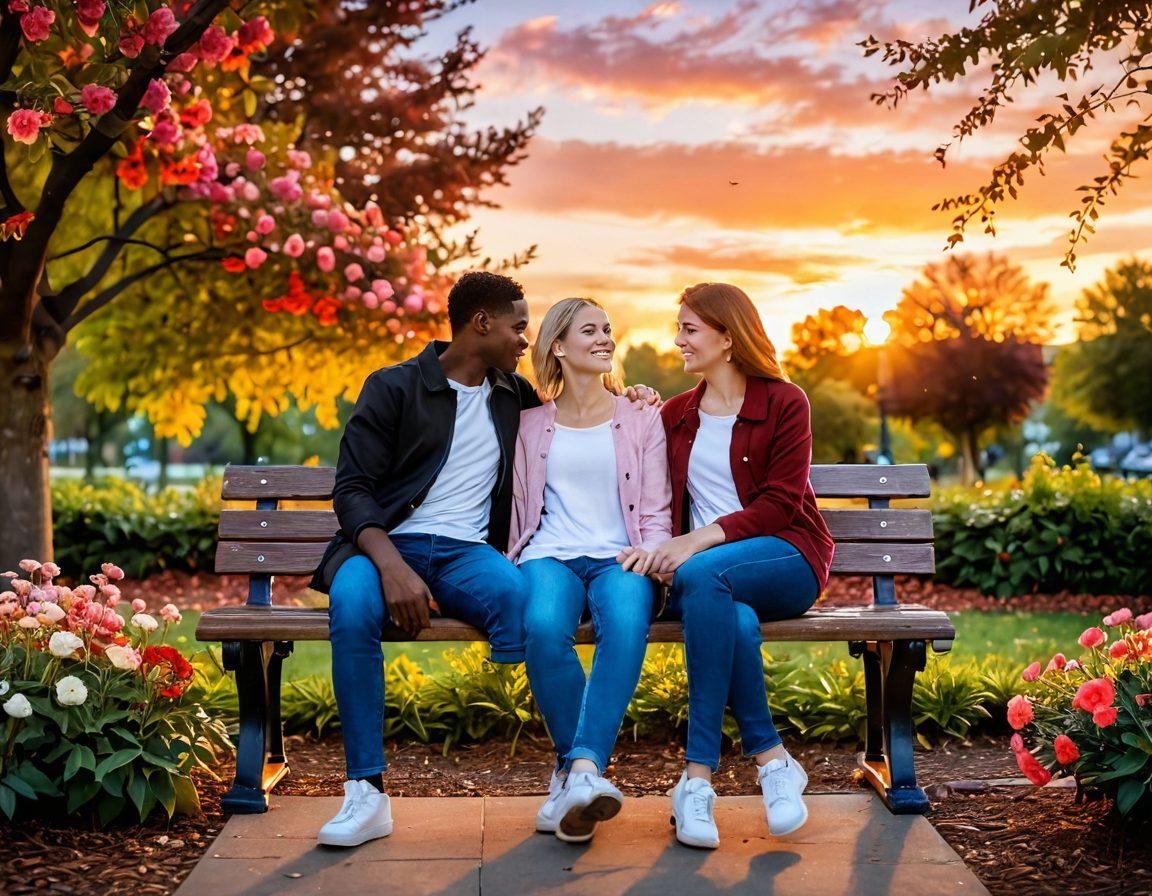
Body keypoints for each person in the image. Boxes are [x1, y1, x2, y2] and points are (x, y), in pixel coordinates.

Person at [309, 273, 658, 848]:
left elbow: (579, 419)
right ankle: (366, 793)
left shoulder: (512, 398)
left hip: (464, 554)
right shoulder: (394, 387)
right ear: (481, 323)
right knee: (352, 607)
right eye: (519, 327)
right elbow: (351, 491)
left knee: (525, 602)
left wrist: (635, 398)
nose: (526, 340)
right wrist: (392, 566)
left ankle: (573, 773)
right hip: (380, 549)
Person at [627, 282, 835, 849]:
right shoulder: (675, 414)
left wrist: (694, 542)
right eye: (680, 328)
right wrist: (634, 403)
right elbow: (620, 440)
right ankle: (772, 763)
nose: (678, 340)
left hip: (787, 557)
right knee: (734, 619)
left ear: (727, 336)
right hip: (715, 583)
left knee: (702, 575)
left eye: (690, 329)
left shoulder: (785, 402)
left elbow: (780, 504)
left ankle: (696, 775)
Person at [508, 298, 671, 844]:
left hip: (620, 555)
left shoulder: (641, 415)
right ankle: (576, 774)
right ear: (557, 345)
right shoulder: (530, 423)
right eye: (589, 331)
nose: (604, 338)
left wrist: (652, 550)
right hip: (548, 552)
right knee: (542, 627)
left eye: (607, 329)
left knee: (625, 623)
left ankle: (578, 772)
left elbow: (656, 504)